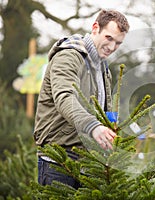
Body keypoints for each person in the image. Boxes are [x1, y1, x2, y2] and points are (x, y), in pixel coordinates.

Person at [33, 9, 130, 189]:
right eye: (109, 38)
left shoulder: (103, 68)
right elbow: (64, 97)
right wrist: (93, 127)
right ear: (95, 28)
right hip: (59, 159)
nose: (112, 47)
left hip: (89, 161)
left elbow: (103, 109)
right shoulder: (68, 56)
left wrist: (113, 131)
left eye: (118, 43)